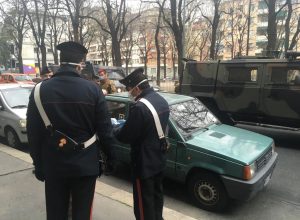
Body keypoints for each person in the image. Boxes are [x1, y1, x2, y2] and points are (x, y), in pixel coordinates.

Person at [26, 41, 116, 220]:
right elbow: (105, 131)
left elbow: (33, 133)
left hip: (53, 164)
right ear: (80, 65)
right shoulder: (93, 90)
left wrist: (38, 163)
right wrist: (111, 159)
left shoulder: (39, 90)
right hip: (85, 166)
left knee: (55, 213)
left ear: (60, 62)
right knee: (81, 214)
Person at [114, 67, 170, 220]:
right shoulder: (161, 100)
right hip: (159, 158)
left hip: (143, 163)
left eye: (129, 89)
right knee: (157, 198)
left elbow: (125, 136)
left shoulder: (139, 107)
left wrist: (116, 128)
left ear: (137, 88)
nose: (129, 92)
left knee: (144, 205)